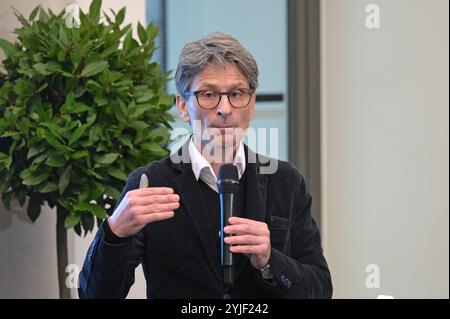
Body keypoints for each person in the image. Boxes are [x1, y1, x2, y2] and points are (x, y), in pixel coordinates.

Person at [79, 32, 332, 299]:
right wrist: (115, 232)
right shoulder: (150, 184)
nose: (224, 108)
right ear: (183, 106)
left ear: (252, 104)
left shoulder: (286, 181)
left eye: (236, 93)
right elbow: (95, 295)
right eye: (209, 94)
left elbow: (320, 289)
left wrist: (271, 260)